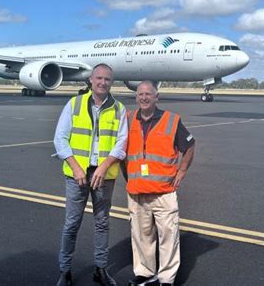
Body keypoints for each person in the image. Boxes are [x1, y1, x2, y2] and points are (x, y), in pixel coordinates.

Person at [53, 63, 127, 286]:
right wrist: (76, 168)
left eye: (107, 79)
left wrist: (104, 167)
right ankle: (65, 271)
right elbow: (60, 139)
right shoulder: (74, 104)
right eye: (99, 78)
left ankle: (100, 269)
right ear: (91, 80)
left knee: (102, 223)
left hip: (103, 175)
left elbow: (122, 142)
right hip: (77, 174)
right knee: (72, 224)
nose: (103, 83)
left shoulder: (119, 108)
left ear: (111, 83)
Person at [123, 81, 195, 286]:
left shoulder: (171, 121)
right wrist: (128, 176)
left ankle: (166, 279)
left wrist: (181, 171)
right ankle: (145, 273)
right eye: (140, 94)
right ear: (136, 97)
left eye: (148, 94)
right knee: (141, 235)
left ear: (157, 97)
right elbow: (120, 152)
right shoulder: (127, 120)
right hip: (137, 191)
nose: (144, 98)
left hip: (164, 191)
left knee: (168, 237)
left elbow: (189, 145)